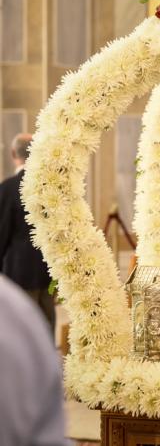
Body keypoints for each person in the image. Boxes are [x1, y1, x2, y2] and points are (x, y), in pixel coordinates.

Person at [0, 275, 67, 446]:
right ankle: (49, 349)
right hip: (40, 278)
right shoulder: (14, 310)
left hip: (21, 275)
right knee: (46, 321)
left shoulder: (11, 309)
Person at [0, 134, 55, 331]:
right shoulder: (49, 187)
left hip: (19, 272)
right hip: (48, 268)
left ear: (13, 153)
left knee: (23, 328)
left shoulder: (7, 189)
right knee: (47, 323)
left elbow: (2, 233)